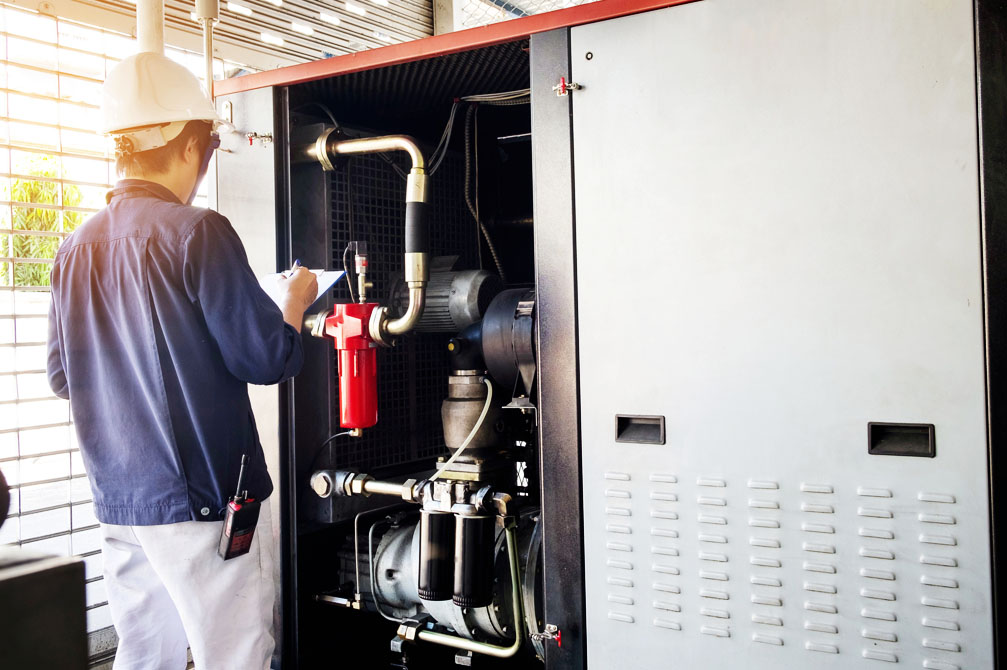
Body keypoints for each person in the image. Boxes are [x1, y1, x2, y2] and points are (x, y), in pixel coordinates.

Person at [46, 51, 317, 670]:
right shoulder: (199, 232)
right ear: (193, 146)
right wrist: (294, 303)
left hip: (121, 502)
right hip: (205, 501)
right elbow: (268, 356)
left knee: (146, 653)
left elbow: (65, 376)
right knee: (237, 654)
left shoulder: (71, 249)